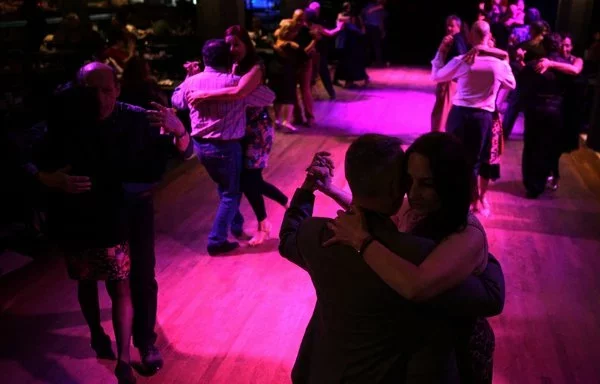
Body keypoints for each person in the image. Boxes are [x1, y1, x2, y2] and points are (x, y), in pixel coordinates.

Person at [279, 134, 505, 383]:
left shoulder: (319, 235)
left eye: (425, 183)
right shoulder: (416, 245)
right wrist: (331, 190)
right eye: (408, 180)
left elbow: (421, 286)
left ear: (450, 184)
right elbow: (491, 296)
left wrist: (362, 240)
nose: (413, 192)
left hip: (456, 351)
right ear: (395, 188)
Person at [33, 63, 192, 383]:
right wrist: (52, 180)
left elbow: (187, 154)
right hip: (88, 211)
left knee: (141, 275)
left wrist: (180, 131)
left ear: (117, 89)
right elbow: (35, 161)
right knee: (87, 280)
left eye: (107, 90)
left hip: (133, 210)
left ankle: (144, 341)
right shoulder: (68, 119)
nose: (101, 98)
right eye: (92, 90)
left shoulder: (138, 117)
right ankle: (97, 335)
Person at [183, 26, 288, 246]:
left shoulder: (256, 67)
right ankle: (280, 206)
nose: (232, 49)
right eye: (228, 45)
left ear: (247, 44)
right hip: (240, 128)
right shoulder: (233, 65)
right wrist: (195, 78)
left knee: (249, 179)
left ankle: (264, 223)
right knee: (247, 180)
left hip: (257, 129)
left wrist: (205, 94)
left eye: (237, 44)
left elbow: (239, 92)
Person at [432, 20, 515, 213]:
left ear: (470, 37)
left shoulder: (463, 60)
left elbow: (436, 76)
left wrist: (441, 52)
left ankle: (451, 200)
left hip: (459, 114)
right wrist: (502, 57)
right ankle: (469, 204)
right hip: (483, 118)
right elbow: (511, 85)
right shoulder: (499, 65)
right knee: (476, 161)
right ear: (489, 36)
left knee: (454, 157)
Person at [520, 33, 571, 198]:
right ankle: (541, 183)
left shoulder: (533, 66)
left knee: (531, 146)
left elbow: (522, 86)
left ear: (544, 46)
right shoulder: (566, 68)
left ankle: (531, 184)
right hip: (556, 112)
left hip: (535, 109)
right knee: (547, 147)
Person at [430, 15, 469, 133]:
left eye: (452, 26)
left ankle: (437, 138)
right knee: (442, 111)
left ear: (459, 27)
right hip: (450, 81)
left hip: (448, 82)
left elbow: (460, 59)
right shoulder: (457, 39)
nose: (449, 28)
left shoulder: (455, 40)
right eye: (447, 25)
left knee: (441, 112)